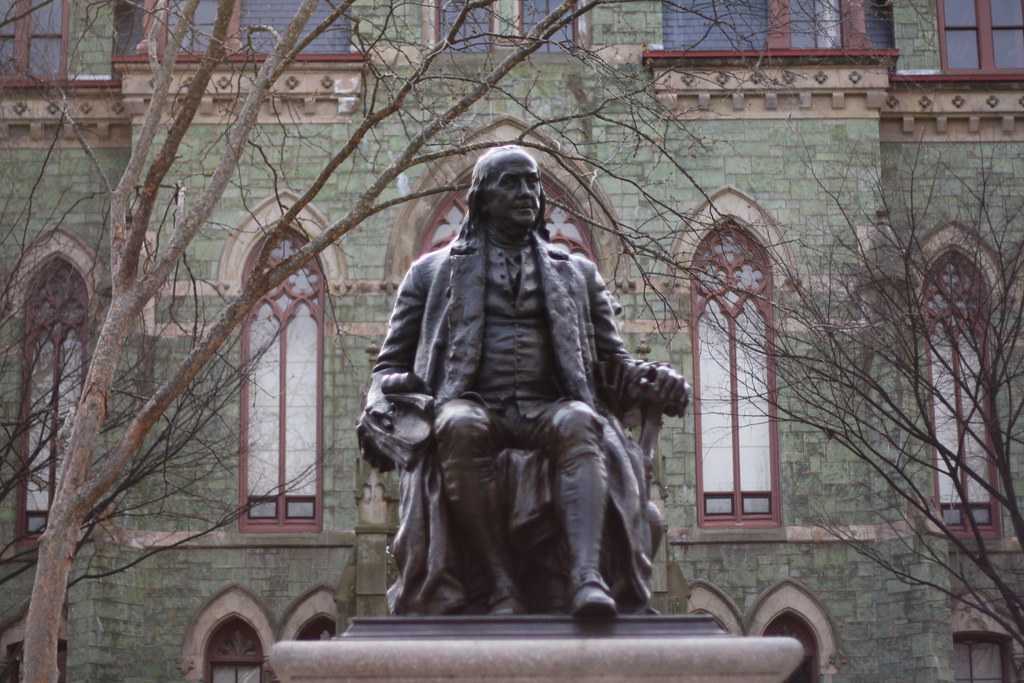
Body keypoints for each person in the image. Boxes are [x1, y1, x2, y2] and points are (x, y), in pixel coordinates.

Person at [358, 146, 688, 618]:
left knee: (580, 420)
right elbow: (388, 365)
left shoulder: (577, 273)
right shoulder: (430, 273)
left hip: (548, 406)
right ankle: (500, 583)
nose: (526, 193)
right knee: (457, 423)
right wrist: (387, 403)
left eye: (532, 183)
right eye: (510, 183)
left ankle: (586, 578)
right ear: (481, 199)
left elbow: (613, 368)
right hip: (472, 403)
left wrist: (655, 378)